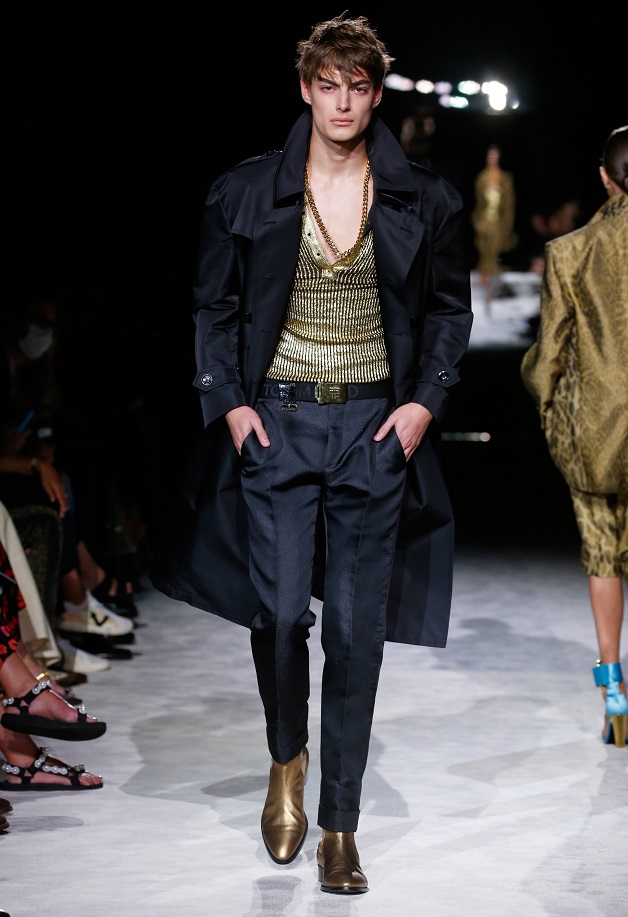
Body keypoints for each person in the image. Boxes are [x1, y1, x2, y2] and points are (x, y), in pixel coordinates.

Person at [154, 13, 472, 893]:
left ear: (376, 94)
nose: (341, 103)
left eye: (357, 87)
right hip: (279, 422)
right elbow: (213, 304)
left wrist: (424, 402)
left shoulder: (423, 199)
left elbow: (449, 310)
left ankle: (340, 825)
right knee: (278, 613)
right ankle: (286, 757)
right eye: (327, 85)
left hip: (374, 428)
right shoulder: (246, 190)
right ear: (305, 88)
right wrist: (228, 402)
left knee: (356, 634)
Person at [521, 125, 628, 748]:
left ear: (604, 177)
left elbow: (549, 357)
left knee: (603, 557)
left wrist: (543, 400)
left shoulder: (571, 251)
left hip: (594, 435)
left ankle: (614, 693)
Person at [471, 143, 518, 306]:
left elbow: (509, 206)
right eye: (490, 156)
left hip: (498, 224)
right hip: (484, 223)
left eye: (495, 156)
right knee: (485, 257)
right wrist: (477, 222)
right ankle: (485, 296)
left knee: (494, 258)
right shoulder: (481, 178)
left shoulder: (505, 179)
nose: (492, 159)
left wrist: (507, 227)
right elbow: (477, 204)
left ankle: (492, 295)